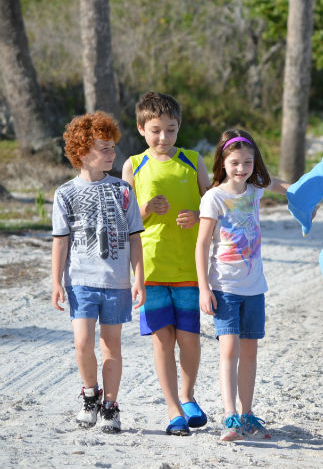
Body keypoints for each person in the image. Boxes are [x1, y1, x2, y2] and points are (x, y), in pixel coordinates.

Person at [121, 91, 211, 435]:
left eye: (171, 130)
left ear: (179, 127)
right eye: (156, 130)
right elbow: (124, 218)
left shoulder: (192, 159)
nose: (164, 137)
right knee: (162, 339)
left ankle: (188, 398)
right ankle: (172, 408)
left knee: (189, 338)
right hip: (150, 268)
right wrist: (145, 210)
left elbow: (213, 204)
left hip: (190, 268)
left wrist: (199, 216)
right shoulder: (133, 164)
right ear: (142, 128)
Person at [51, 112, 146, 434]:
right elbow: (61, 242)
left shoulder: (123, 191)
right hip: (80, 281)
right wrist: (55, 281)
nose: (112, 153)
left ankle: (111, 405)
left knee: (111, 346)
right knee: (81, 343)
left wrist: (139, 279)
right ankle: (90, 395)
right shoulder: (65, 193)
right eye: (104, 148)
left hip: (116, 283)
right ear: (82, 153)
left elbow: (135, 238)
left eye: (112, 147)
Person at [195, 129, 289, 441]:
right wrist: (203, 288)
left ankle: (247, 414)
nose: (242, 168)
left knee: (250, 352)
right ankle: (230, 416)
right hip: (224, 287)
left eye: (247, 162)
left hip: (254, 288)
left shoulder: (255, 189)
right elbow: (202, 245)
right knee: (229, 350)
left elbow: (284, 187)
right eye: (235, 162)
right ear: (223, 162)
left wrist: (310, 196)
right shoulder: (214, 198)